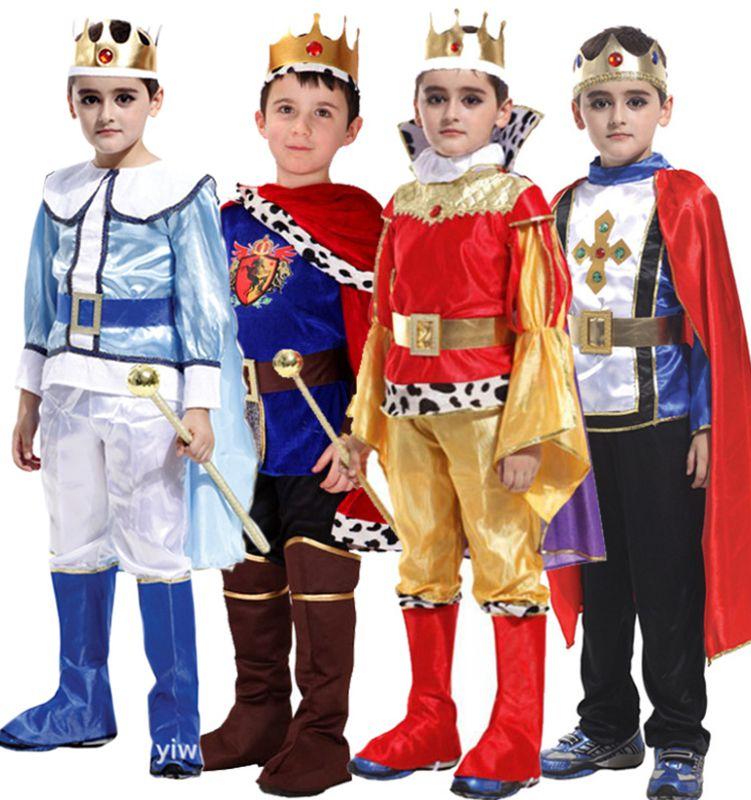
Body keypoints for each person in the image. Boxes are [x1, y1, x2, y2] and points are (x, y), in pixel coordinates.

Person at [343, 11, 602, 800]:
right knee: (421, 561)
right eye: (436, 97)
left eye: (470, 98)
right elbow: (382, 320)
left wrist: (529, 432)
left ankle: (515, 734)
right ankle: (430, 720)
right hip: (408, 409)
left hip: (489, 414)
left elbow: (542, 323)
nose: (451, 112)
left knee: (505, 565)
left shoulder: (518, 201)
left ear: (502, 111)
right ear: (416, 108)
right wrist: (365, 428)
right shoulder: (402, 202)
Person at [541, 25, 751, 800]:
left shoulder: (685, 198)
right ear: (579, 112)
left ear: (665, 109)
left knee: (668, 586)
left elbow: (712, 319)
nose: (618, 116)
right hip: (582, 429)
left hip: (662, 424)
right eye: (601, 102)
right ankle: (607, 725)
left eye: (636, 101)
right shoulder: (560, 206)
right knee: (600, 583)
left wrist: (708, 422)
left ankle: (679, 737)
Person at [4, 18, 257, 779]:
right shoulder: (58, 190)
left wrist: (201, 406)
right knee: (75, 543)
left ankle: (175, 724)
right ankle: (80, 702)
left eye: (123, 96)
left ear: (154, 100)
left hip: (148, 399)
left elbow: (207, 304)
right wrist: (28, 399)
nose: (106, 113)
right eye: (90, 97)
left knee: (156, 551)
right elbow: (38, 302)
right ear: (71, 104)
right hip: (68, 393)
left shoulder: (183, 191)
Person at [199, 14, 390, 797]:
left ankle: (321, 735)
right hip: (241, 433)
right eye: (287, 110)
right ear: (260, 120)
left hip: (320, 428)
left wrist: (361, 436)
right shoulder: (227, 220)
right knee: (249, 572)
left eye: (321, 113)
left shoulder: (364, 221)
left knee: (318, 576)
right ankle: (258, 714)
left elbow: (379, 339)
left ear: (352, 129)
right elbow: (204, 329)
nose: (301, 128)